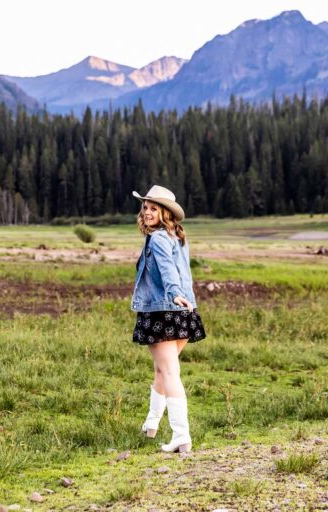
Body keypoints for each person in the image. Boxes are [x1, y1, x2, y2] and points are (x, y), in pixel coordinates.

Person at [130, 185, 206, 453]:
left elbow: (167, 271)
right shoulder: (177, 236)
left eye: (153, 208)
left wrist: (174, 294)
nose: (147, 212)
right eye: (146, 207)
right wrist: (182, 299)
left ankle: (181, 436)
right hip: (185, 312)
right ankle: (151, 426)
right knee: (162, 370)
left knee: (170, 373)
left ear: (165, 213)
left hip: (163, 312)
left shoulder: (159, 239)